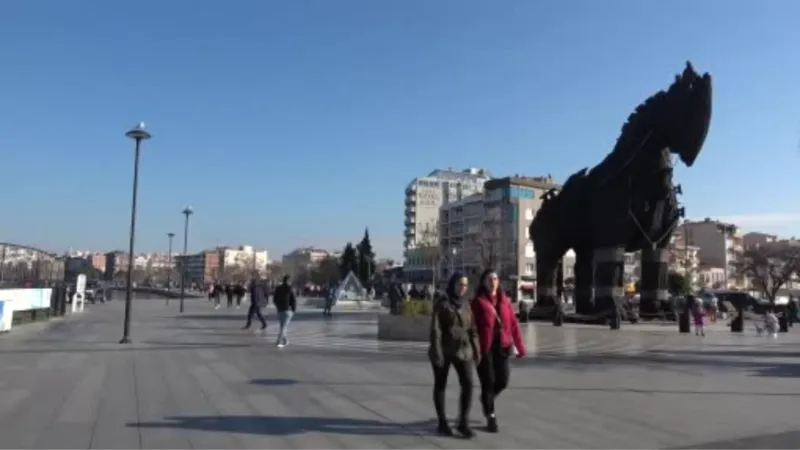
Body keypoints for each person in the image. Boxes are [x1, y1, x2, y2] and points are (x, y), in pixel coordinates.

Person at [471, 268, 526, 433]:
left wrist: (520, 347)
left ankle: (486, 399)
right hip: (484, 348)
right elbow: (472, 326)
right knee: (488, 381)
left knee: (502, 380)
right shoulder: (478, 301)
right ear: (483, 282)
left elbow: (513, 324)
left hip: (502, 346)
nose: (493, 281)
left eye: (495, 278)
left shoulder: (505, 301)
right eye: (489, 279)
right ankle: (491, 416)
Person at [429, 272, 479, 438]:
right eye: (459, 284)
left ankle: (463, 422)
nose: (462, 288)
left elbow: (472, 329)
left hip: (463, 350)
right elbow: (435, 329)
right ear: (452, 285)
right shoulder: (442, 303)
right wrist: (437, 352)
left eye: (465, 285)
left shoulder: (466, 304)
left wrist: (477, 350)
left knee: (468, 384)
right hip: (444, 349)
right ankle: (442, 422)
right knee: (440, 385)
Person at [273, 275, 297, 348]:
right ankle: (278, 340)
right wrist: (293, 309)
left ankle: (285, 340)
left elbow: (274, 299)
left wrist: (278, 306)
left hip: (280, 309)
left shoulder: (278, 288)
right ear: (289, 281)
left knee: (282, 326)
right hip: (288, 310)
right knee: (284, 327)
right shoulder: (291, 288)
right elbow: (293, 300)